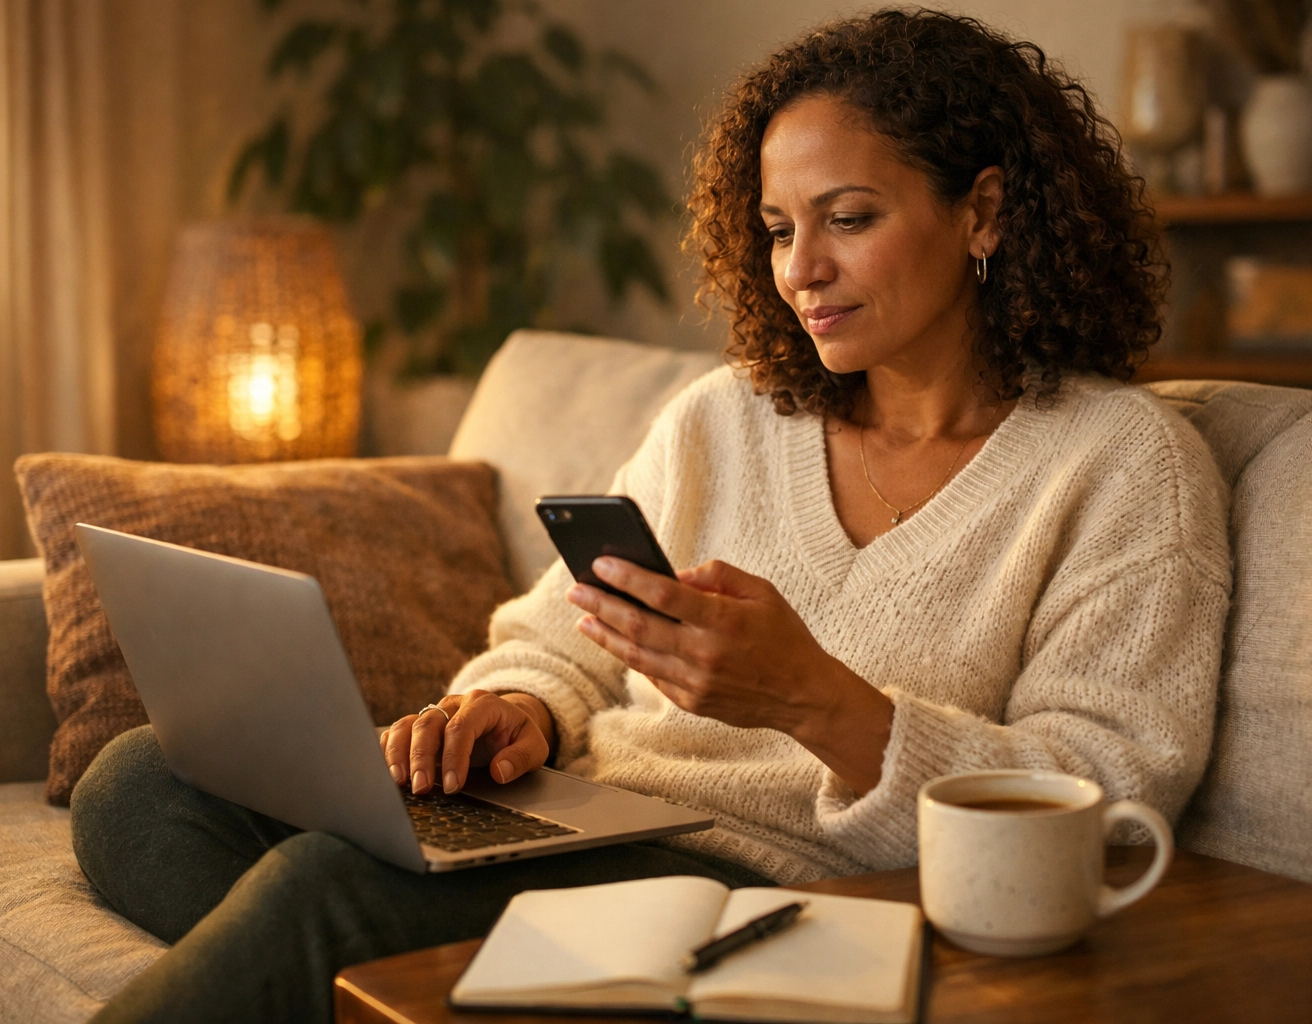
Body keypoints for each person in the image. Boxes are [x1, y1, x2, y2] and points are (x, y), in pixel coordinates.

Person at [72, 10, 1230, 1022]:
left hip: (777, 892)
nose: (801, 270)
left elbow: (1106, 800)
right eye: (779, 228)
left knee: (325, 888)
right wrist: (515, 707)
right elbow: (562, 636)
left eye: (848, 218)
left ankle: (357, 966)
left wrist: (814, 700)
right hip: (588, 820)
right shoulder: (729, 417)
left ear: (984, 211)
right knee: (144, 782)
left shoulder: (1123, 465)